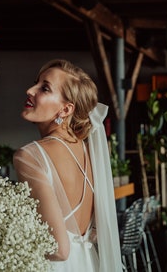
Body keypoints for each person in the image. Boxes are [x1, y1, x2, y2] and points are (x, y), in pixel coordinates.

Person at [13, 59, 123, 271]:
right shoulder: (89, 151)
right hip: (89, 263)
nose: (29, 90)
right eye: (36, 83)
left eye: (44, 88)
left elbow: (58, 249)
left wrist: (1, 241)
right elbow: (94, 232)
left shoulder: (30, 156)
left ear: (65, 110)